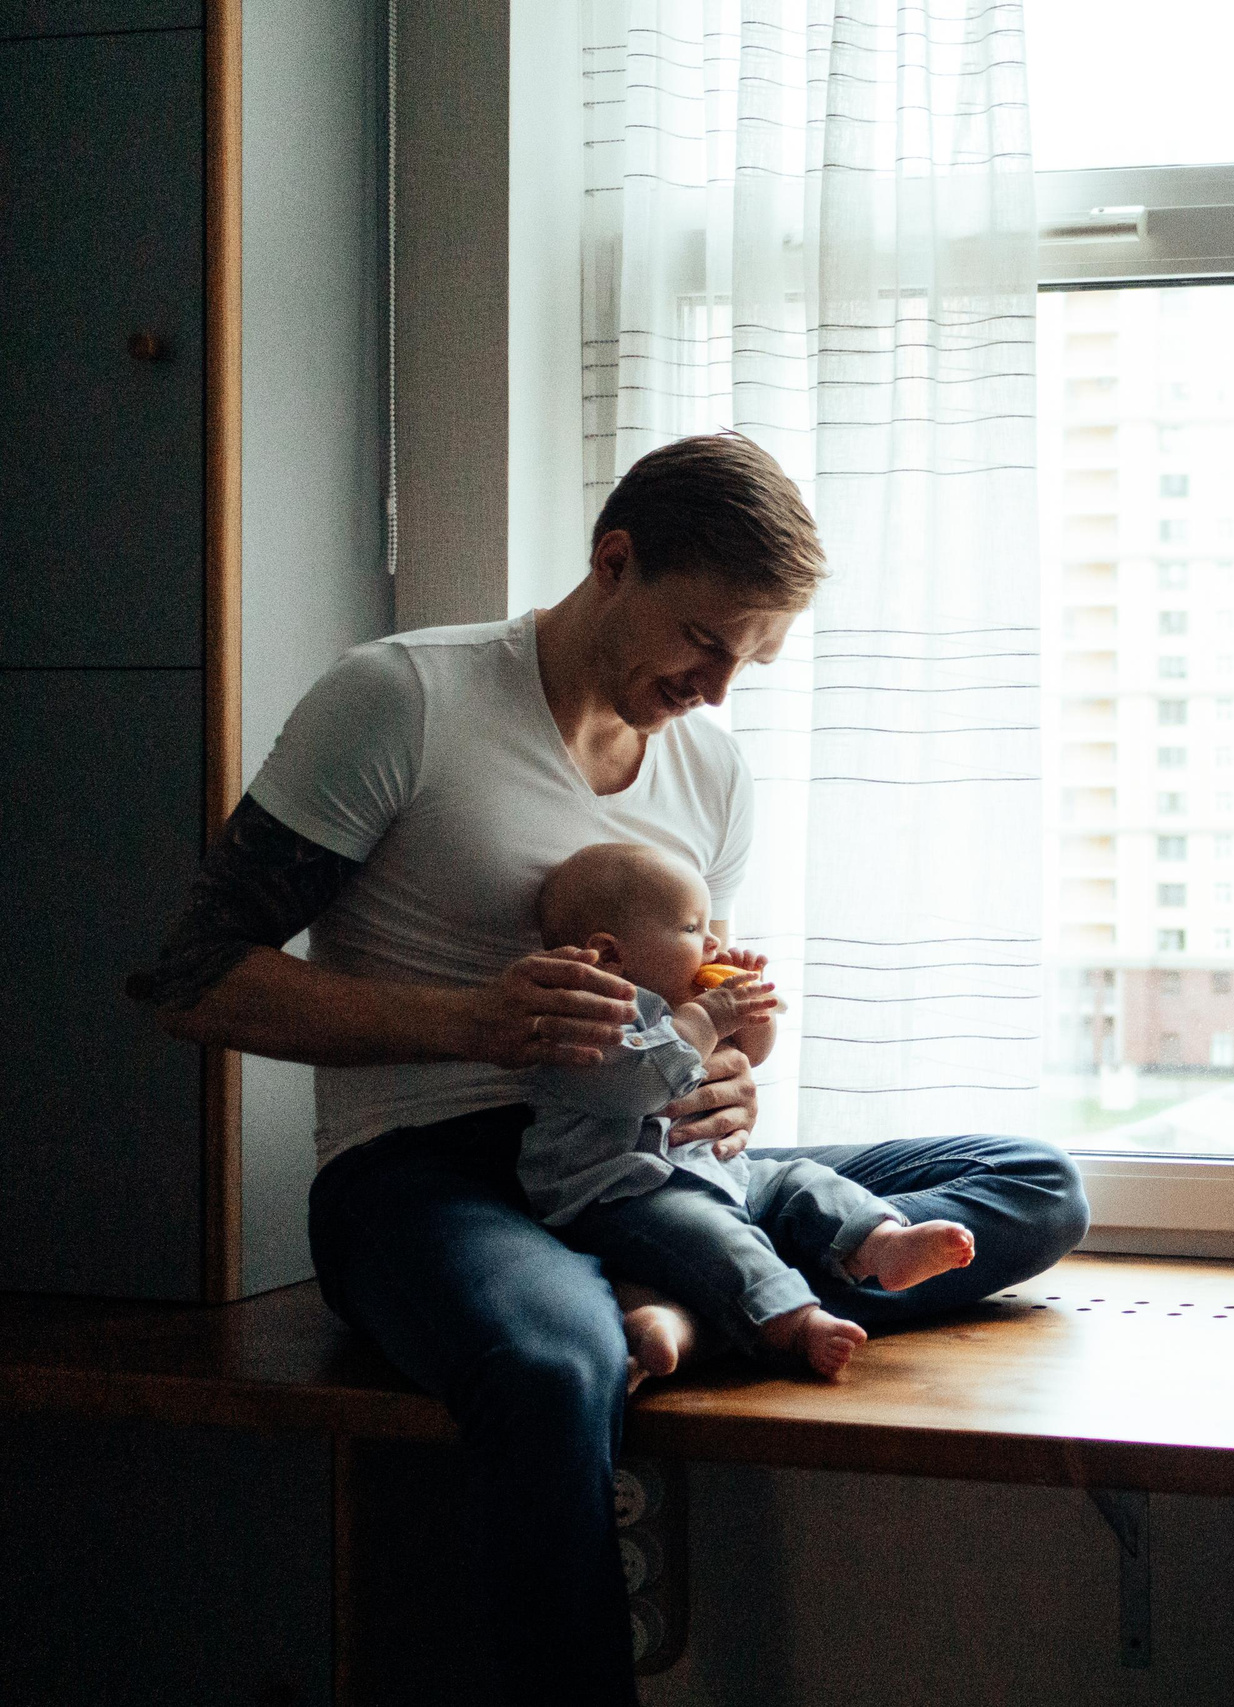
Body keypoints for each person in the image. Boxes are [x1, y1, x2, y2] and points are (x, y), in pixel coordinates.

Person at [127, 432, 1089, 1707]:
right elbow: (190, 981)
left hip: (656, 1165)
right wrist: (475, 1024)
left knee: (1033, 1184)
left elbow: (704, 1006)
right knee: (547, 1369)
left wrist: (739, 1064)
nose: (719, 690)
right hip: (430, 1179)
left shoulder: (711, 766)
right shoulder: (401, 700)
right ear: (614, 560)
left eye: (752, 660)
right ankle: (666, 1309)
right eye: (704, 641)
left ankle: (676, 1303)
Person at [522, 841, 978, 1379]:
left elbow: (749, 1054)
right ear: (613, 952)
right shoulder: (585, 1016)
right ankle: (797, 1322)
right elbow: (640, 1083)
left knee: (799, 1180)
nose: (712, 939)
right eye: (692, 929)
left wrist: (748, 1008)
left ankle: (879, 1243)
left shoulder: (678, 1004)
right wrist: (708, 1016)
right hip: (623, 1196)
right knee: (709, 1232)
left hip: (717, 1170)